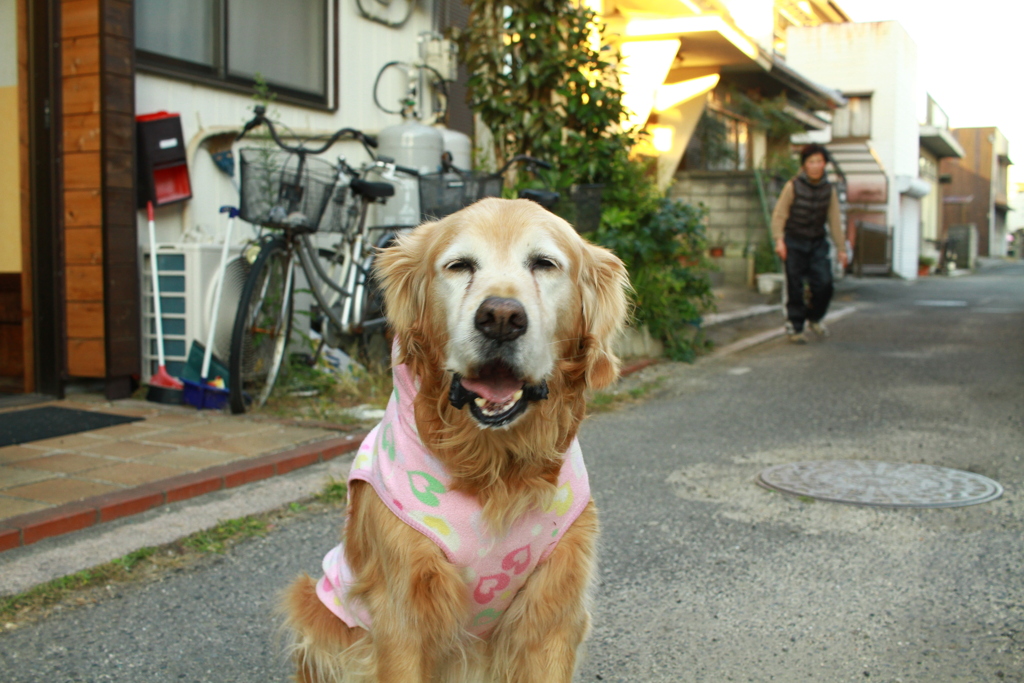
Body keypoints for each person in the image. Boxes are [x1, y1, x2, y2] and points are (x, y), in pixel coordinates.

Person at [770, 143, 848, 343]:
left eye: (819, 161)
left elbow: (834, 220)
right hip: (794, 242)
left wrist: (841, 249)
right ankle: (795, 327)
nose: (815, 166)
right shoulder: (793, 186)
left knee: (825, 284)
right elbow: (779, 215)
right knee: (794, 287)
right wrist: (779, 240)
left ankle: (814, 318)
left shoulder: (828, 190)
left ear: (824, 164)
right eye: (811, 161)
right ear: (804, 165)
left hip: (817, 243)